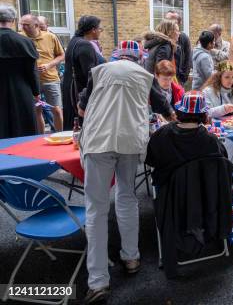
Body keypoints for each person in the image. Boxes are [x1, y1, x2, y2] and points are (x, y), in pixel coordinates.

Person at [78, 41, 174, 304]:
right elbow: (165, 109)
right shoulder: (145, 75)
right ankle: (131, 257)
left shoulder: (99, 70)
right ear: (138, 58)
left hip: (99, 141)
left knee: (96, 209)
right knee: (126, 196)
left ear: (117, 56)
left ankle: (97, 281)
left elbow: (82, 109)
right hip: (130, 140)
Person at [145, 90, 233, 278]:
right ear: (203, 114)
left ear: (180, 111)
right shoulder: (210, 139)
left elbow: (151, 161)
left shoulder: (162, 135)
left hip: (172, 198)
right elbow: (222, 165)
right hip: (206, 197)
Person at [20, 14, 65, 133]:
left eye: (26, 25)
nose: (23, 27)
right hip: (30, 81)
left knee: (56, 109)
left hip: (50, 78)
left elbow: (61, 55)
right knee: (37, 110)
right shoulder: (20, 37)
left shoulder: (50, 37)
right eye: (22, 24)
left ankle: (60, 136)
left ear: (36, 25)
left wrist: (49, 65)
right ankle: (40, 138)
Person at [0, 4, 39, 138]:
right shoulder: (25, 41)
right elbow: (31, 71)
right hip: (21, 89)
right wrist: (36, 91)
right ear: (13, 20)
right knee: (23, 129)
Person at [62, 15, 105, 130]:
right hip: (79, 91)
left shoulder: (74, 41)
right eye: (100, 29)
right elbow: (90, 74)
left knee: (72, 124)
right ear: (93, 30)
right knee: (83, 125)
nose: (100, 32)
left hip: (69, 87)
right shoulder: (85, 45)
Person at [165, 10, 192, 86]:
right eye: (167, 20)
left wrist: (183, 78)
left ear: (179, 23)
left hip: (179, 79)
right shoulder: (159, 38)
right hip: (164, 80)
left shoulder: (183, 38)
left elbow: (188, 59)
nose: (170, 23)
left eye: (173, 21)